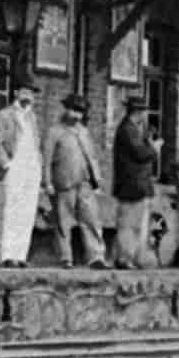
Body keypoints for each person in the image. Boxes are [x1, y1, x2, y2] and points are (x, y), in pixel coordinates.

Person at [45, 91, 108, 269]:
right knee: (63, 222)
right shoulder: (54, 132)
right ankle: (66, 257)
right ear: (66, 109)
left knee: (91, 220)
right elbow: (47, 159)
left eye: (80, 112)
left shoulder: (84, 132)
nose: (76, 115)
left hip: (85, 183)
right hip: (63, 182)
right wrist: (47, 183)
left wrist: (97, 178)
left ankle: (96, 256)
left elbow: (92, 156)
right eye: (73, 110)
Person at [0, 79, 45, 267]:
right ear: (16, 93)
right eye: (25, 92)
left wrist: (38, 167)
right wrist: (7, 164)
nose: (28, 96)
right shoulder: (4, 115)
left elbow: (36, 144)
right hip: (15, 167)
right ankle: (9, 255)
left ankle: (21, 255)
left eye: (31, 93)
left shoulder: (32, 118)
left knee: (27, 213)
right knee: (13, 211)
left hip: (31, 168)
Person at [111, 95, 160, 268]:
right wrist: (154, 148)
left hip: (137, 185)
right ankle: (125, 258)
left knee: (137, 225)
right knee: (129, 224)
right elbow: (140, 154)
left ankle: (135, 258)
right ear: (138, 112)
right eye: (143, 111)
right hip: (131, 185)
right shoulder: (128, 130)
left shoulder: (133, 130)